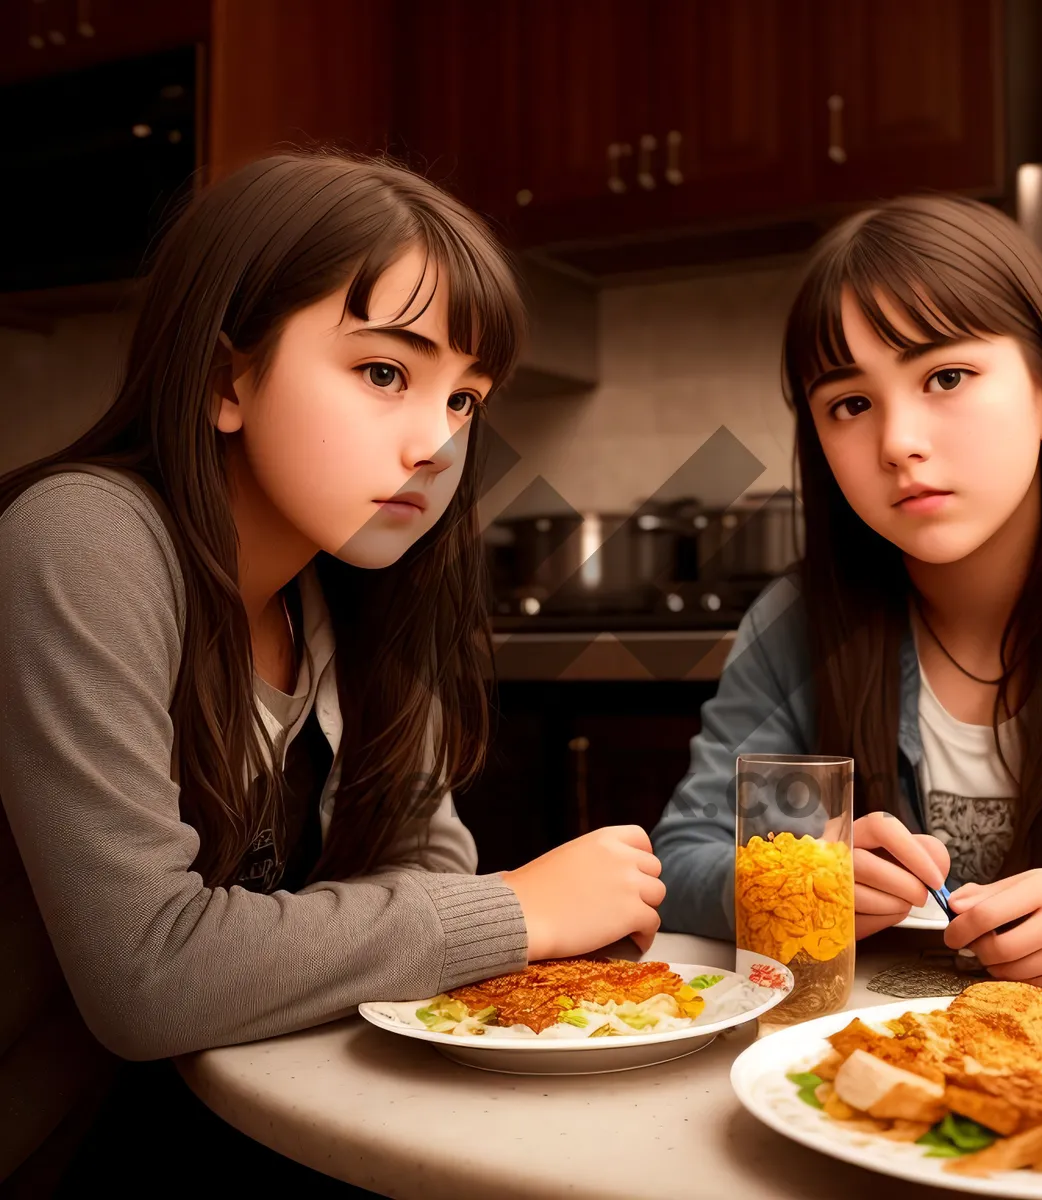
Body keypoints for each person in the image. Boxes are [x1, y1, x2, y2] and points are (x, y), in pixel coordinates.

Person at [0, 152, 664, 1192]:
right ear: (228, 379)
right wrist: (520, 910)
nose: (434, 445)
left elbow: (421, 873)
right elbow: (149, 971)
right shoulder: (83, 539)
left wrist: (438, 916)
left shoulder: (349, 597)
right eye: (385, 373)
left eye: (465, 401)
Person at [652, 193, 1042, 989]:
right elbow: (684, 853)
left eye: (946, 376)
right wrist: (798, 881)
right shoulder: (797, 628)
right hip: (855, 1070)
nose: (899, 443)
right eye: (850, 404)